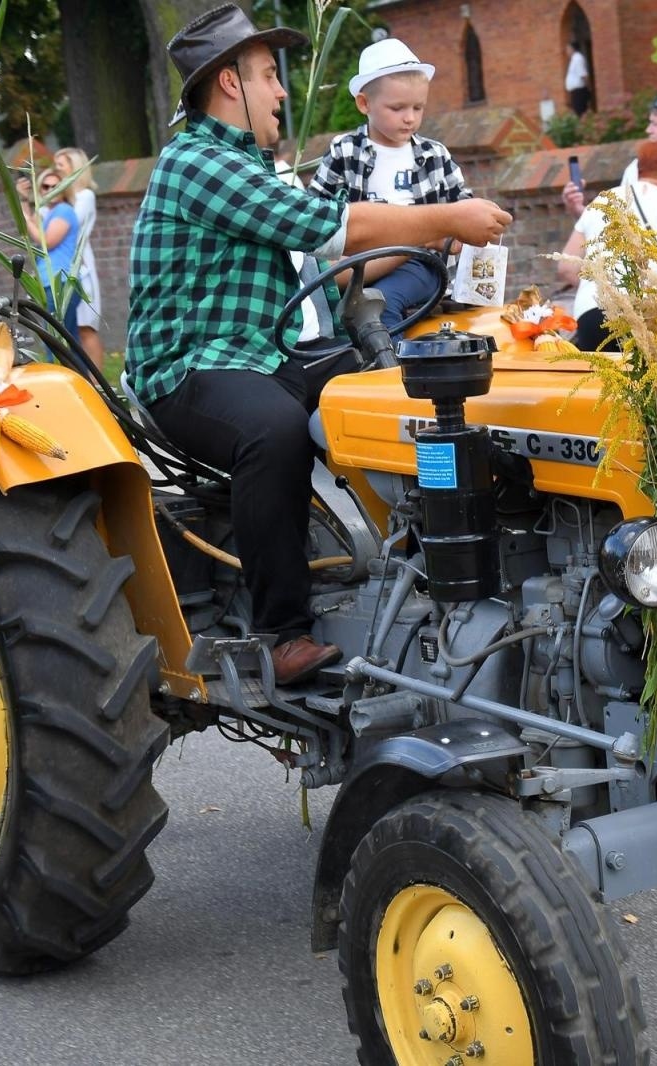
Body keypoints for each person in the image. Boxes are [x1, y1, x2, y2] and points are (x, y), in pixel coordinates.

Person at [126, 4, 510, 684]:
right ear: (227, 85)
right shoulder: (199, 163)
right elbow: (325, 228)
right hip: (188, 368)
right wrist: (446, 218)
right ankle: (280, 631)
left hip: (259, 355)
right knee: (272, 430)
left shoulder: (250, 164)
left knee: (386, 389)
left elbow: (330, 267)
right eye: (269, 75)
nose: (281, 91)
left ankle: (414, 565)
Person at [309, 36, 473, 332]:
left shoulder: (434, 155)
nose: (409, 118)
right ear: (364, 103)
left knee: (381, 305)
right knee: (342, 314)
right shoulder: (344, 152)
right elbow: (314, 215)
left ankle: (393, 373)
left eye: (418, 108)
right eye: (397, 108)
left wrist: (454, 233)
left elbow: (464, 210)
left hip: (419, 264)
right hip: (357, 264)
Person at [556, 140, 657, 352]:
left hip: (594, 313)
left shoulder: (602, 201)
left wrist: (601, 288)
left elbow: (566, 268)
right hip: (653, 313)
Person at [563, 92, 657, 219]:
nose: (648, 130)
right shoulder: (637, 169)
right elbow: (619, 224)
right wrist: (580, 211)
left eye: (655, 124)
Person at [53, 147, 106, 368]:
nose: (56, 170)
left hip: (81, 268)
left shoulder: (84, 196)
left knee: (86, 327)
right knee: (74, 327)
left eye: (61, 165)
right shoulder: (63, 200)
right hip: (66, 267)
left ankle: (97, 381)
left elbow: (69, 223)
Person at [19, 169, 82, 344]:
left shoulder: (63, 210)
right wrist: (24, 199)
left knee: (57, 343)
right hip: (51, 283)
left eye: (56, 186)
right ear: (40, 190)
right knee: (63, 341)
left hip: (61, 283)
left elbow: (46, 242)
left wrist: (23, 215)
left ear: (64, 189)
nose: (50, 190)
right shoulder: (50, 214)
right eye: (46, 187)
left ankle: (66, 371)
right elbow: (31, 225)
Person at [565, 40, 591, 116]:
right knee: (577, 112)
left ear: (572, 49)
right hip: (575, 92)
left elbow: (583, 75)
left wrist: (588, 89)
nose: (567, 51)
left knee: (580, 113)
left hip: (579, 91)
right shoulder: (573, 59)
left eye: (568, 49)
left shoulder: (578, 58)